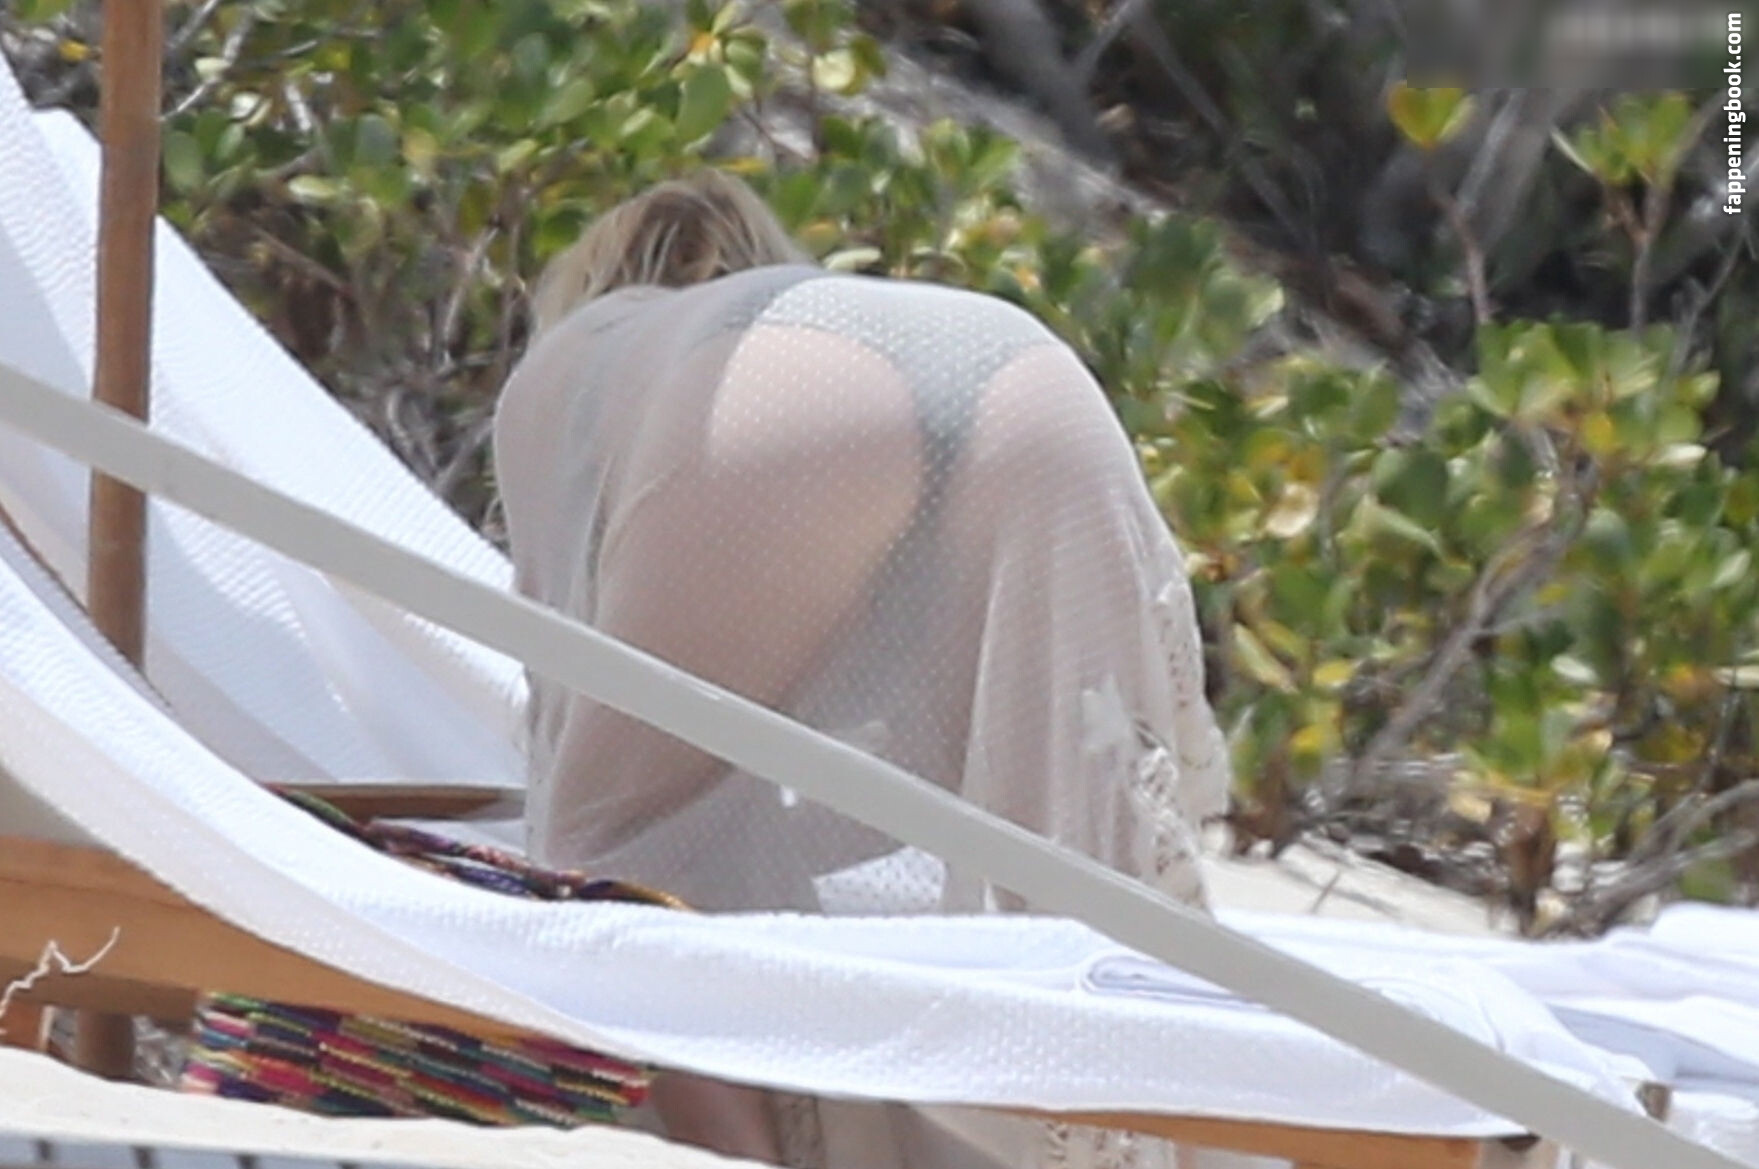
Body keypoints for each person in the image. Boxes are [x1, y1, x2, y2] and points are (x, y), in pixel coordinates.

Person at [493, 170, 1233, 1169]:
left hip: (776, 397)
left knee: (611, 864)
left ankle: (737, 1153)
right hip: (1029, 371)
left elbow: (562, 697)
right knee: (1080, 891)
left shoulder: (584, 350)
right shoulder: (783, 310)